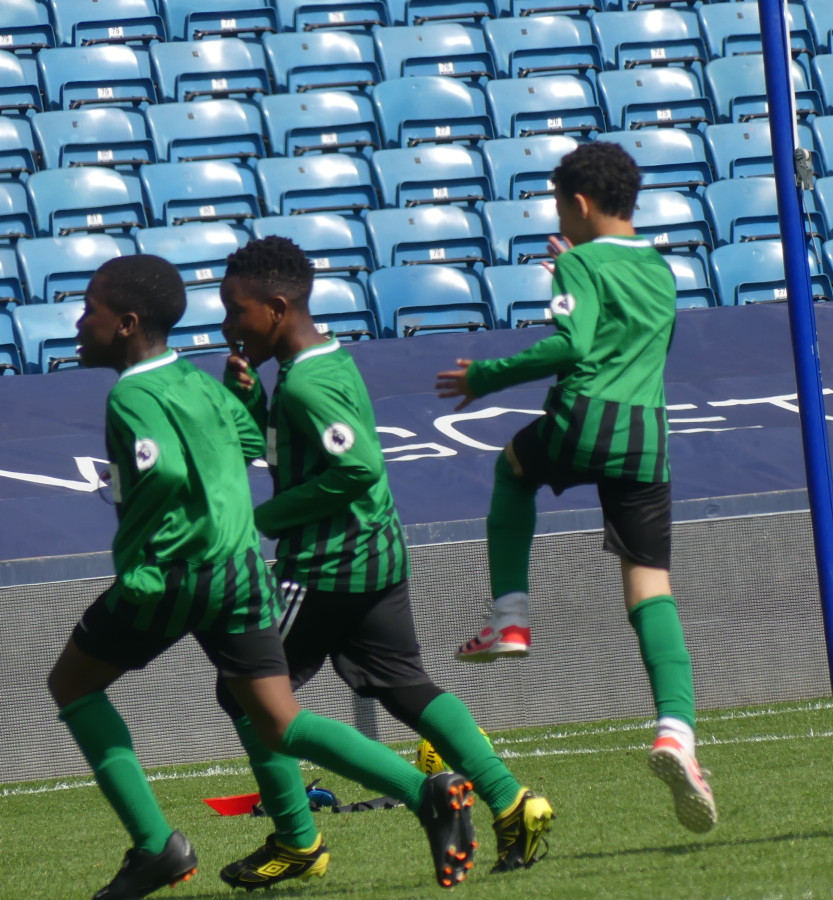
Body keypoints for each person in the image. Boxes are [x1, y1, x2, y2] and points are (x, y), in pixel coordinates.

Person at [47, 255, 476, 900]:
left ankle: (156, 845)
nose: (80, 322)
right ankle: (428, 793)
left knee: (72, 684)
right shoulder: (198, 382)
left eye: (91, 311)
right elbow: (252, 439)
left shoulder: (131, 393)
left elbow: (159, 471)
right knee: (277, 717)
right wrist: (244, 402)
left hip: (174, 576)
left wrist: (138, 533)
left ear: (127, 324)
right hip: (244, 571)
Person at [216, 236, 553, 886]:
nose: (229, 325)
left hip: (326, 567)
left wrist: (263, 519)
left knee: (245, 691)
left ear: (277, 307)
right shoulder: (320, 364)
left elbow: (355, 468)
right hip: (376, 554)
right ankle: (514, 802)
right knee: (406, 686)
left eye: (237, 311)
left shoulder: (308, 385)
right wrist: (247, 405)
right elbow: (296, 459)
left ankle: (298, 841)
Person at [436, 142, 717, 834]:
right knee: (651, 588)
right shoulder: (660, 267)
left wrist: (486, 377)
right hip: (646, 433)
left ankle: (510, 616)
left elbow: (572, 346)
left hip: (583, 418)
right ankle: (676, 730)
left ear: (579, 205)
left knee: (512, 467)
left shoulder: (578, 261)